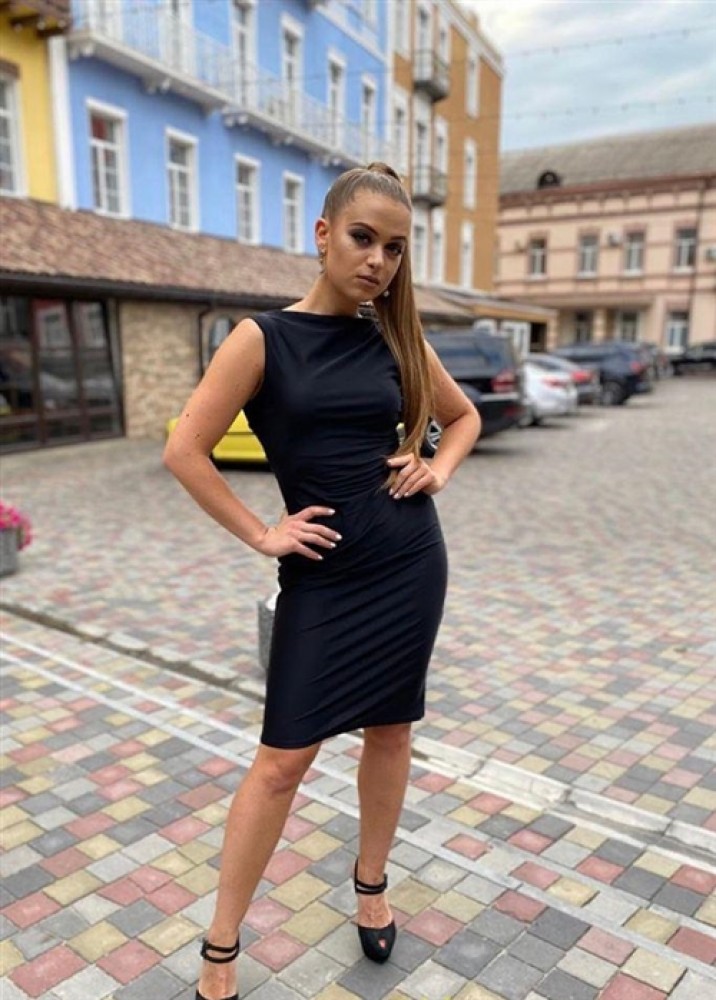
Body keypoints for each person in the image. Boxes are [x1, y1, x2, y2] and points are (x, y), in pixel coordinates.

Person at [163, 162, 481, 1000]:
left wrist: (438, 468)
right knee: (281, 761)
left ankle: (371, 884)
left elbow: (465, 418)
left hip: (408, 562)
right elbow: (184, 451)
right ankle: (221, 945)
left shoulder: (395, 340)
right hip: (322, 577)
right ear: (323, 234)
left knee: (391, 731)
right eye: (363, 238)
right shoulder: (261, 339)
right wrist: (261, 532)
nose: (377, 260)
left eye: (395, 248)